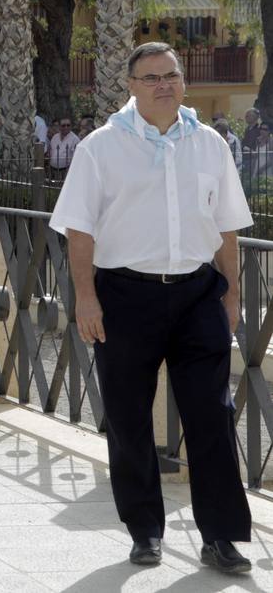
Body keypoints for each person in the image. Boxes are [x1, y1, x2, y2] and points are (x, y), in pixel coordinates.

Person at [50, 42, 253, 575]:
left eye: (171, 75)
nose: (164, 84)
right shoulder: (101, 147)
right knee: (127, 418)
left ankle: (222, 537)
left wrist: (230, 293)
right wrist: (86, 297)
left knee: (213, 415)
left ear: (183, 81)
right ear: (132, 87)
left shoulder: (211, 143)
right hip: (123, 296)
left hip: (197, 295)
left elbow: (227, 227)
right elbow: (78, 229)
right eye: (151, 77)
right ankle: (144, 530)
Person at [47, 116, 81, 180]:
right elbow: (50, 152)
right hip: (53, 170)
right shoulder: (55, 137)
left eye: (68, 125)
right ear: (59, 126)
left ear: (71, 126)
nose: (66, 127)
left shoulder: (75, 139)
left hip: (66, 171)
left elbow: (76, 158)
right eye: (63, 125)